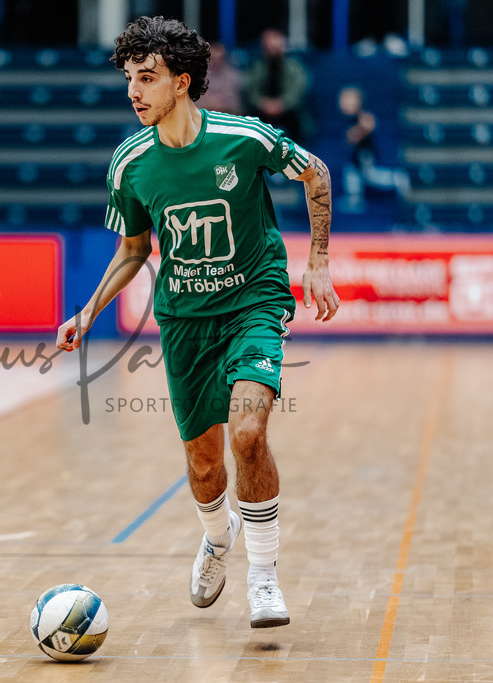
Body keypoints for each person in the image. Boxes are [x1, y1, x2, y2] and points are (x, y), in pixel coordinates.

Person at [56, 16, 339, 628]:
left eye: (147, 78)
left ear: (181, 82)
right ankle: (217, 537)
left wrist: (317, 262)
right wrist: (86, 310)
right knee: (204, 460)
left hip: (254, 303)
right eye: (129, 78)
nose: (134, 91)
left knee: (247, 432)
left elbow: (315, 171)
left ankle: (263, 576)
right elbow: (134, 249)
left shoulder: (244, 137)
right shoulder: (129, 164)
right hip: (184, 319)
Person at [337, 85, 409, 213]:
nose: (344, 103)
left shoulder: (364, 117)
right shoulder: (349, 120)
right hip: (356, 156)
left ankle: (396, 178)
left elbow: (365, 128)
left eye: (349, 100)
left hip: (366, 155)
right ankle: (355, 200)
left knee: (371, 175)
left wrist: (357, 132)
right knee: (351, 173)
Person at [244, 28, 309, 142]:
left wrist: (281, 104)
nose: (272, 49)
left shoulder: (294, 67)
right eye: (269, 46)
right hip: (261, 110)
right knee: (249, 123)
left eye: (275, 46)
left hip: (288, 111)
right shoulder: (256, 67)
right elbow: (250, 91)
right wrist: (263, 104)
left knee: (297, 122)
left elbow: (298, 91)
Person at [199, 42, 242, 115]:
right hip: (203, 118)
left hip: (228, 118)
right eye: (213, 58)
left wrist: (220, 106)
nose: (216, 61)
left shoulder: (234, 76)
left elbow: (238, 105)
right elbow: (192, 104)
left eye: (219, 58)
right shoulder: (198, 76)